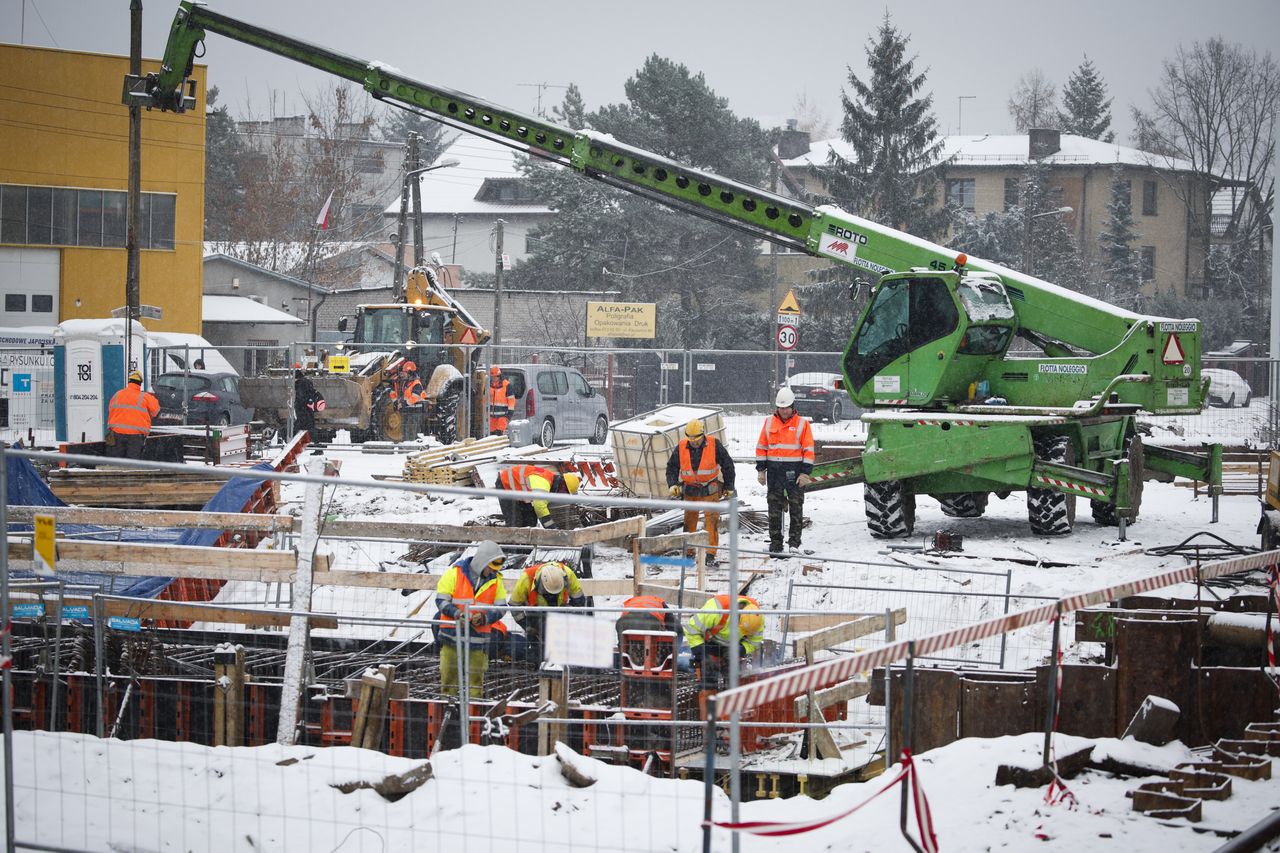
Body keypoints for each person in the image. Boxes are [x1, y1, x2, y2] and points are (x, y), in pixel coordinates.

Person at [435, 540, 508, 699]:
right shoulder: (454, 573)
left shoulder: (496, 581)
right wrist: (456, 614)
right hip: (451, 637)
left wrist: (484, 618)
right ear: (482, 561)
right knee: (449, 681)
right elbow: (441, 600)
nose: (491, 572)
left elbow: (502, 607)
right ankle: (448, 709)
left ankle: (473, 715)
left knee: (475, 683)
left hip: (478, 640)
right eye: (490, 567)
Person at [665, 418, 736, 565]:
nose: (694, 442)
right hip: (690, 491)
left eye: (696, 439)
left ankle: (710, 553)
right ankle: (689, 552)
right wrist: (672, 484)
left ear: (702, 435)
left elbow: (728, 465)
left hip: (710, 490)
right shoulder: (682, 446)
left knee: (711, 522)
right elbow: (671, 467)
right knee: (689, 523)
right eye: (690, 439)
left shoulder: (714, 444)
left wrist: (729, 486)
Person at [756, 387, 815, 557]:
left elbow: (808, 450)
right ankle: (776, 543)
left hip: (794, 472)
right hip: (774, 472)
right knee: (774, 508)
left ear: (793, 407)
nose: (784, 411)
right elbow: (761, 447)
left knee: (796, 507)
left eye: (787, 408)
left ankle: (794, 543)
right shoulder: (768, 423)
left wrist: (805, 473)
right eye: (781, 408)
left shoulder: (802, 424)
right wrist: (761, 470)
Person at [507, 560, 586, 661]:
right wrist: (527, 626)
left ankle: (561, 661)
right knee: (538, 649)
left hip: (560, 611)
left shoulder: (568, 574)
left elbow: (579, 601)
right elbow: (515, 605)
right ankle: (540, 663)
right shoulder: (526, 578)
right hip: (535, 613)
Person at [685, 594, 764, 687]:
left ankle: (730, 695)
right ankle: (709, 696)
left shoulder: (756, 617)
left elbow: (754, 641)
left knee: (733, 677)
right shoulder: (716, 610)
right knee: (709, 676)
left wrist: (741, 649)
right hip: (710, 642)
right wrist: (702, 654)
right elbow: (691, 630)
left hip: (734, 645)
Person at [494, 464, 581, 528]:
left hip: (520, 492)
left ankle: (526, 548)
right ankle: (511, 548)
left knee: (530, 521)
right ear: (562, 485)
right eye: (564, 492)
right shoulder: (543, 484)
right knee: (515, 522)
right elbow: (539, 507)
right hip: (504, 484)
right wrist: (551, 528)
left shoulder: (549, 480)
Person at [106, 370, 160, 460]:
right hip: (135, 437)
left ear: (129, 382)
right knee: (132, 463)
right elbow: (156, 411)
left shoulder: (117, 395)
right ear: (140, 383)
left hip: (116, 435)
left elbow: (111, 409)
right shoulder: (145, 397)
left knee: (116, 462)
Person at [293, 367, 324, 437]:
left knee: (301, 423)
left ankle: (294, 438)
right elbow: (311, 392)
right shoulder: (307, 381)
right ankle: (315, 439)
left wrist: (298, 404)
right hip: (309, 406)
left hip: (302, 407)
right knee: (309, 424)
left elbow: (301, 396)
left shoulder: (299, 383)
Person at [488, 366, 515, 436]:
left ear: (499, 376)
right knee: (492, 436)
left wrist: (509, 414)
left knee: (499, 434)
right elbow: (485, 400)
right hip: (491, 416)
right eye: (492, 377)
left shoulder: (506, 385)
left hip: (502, 416)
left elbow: (511, 400)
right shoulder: (488, 385)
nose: (493, 379)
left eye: (495, 377)